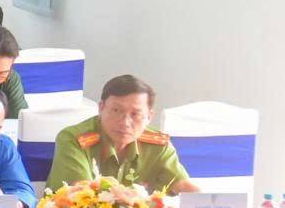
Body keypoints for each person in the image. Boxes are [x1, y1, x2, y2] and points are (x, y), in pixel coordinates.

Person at [44, 74, 198, 194]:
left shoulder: (159, 146)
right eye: (116, 111)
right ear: (101, 108)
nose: (125, 122)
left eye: (135, 114)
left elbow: (186, 188)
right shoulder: (74, 139)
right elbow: (82, 195)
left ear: (149, 116)